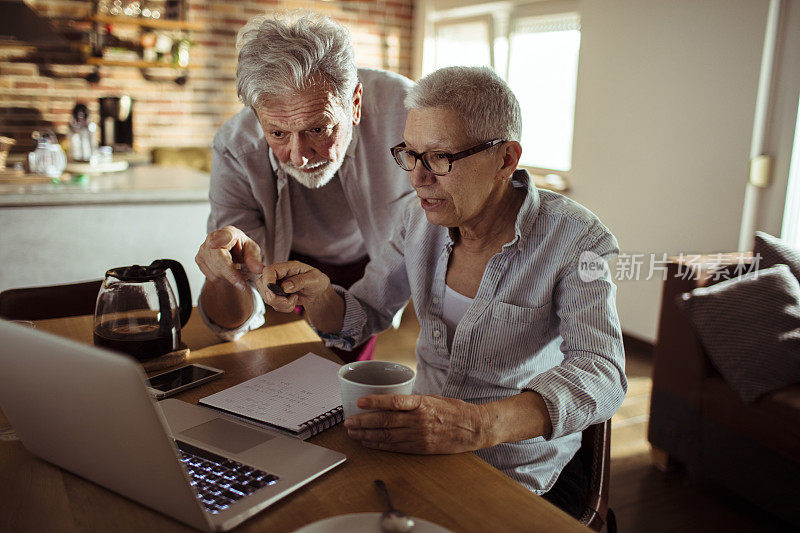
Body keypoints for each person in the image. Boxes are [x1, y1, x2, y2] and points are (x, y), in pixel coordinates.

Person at [255, 66, 628, 517]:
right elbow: (366, 310)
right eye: (409, 154)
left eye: (439, 158)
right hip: (422, 449)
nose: (417, 178)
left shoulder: (576, 239)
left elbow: (602, 370)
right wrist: (320, 297)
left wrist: (479, 425)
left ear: (506, 159)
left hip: (520, 471)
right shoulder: (417, 220)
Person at [194, 12, 414, 361]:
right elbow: (230, 323)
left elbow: (385, 291)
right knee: (272, 365)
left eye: (318, 129)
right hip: (286, 256)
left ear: (355, 104)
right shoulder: (236, 146)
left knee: (342, 378)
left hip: (370, 257)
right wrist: (224, 276)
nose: (299, 157)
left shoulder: (410, 117)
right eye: (278, 133)